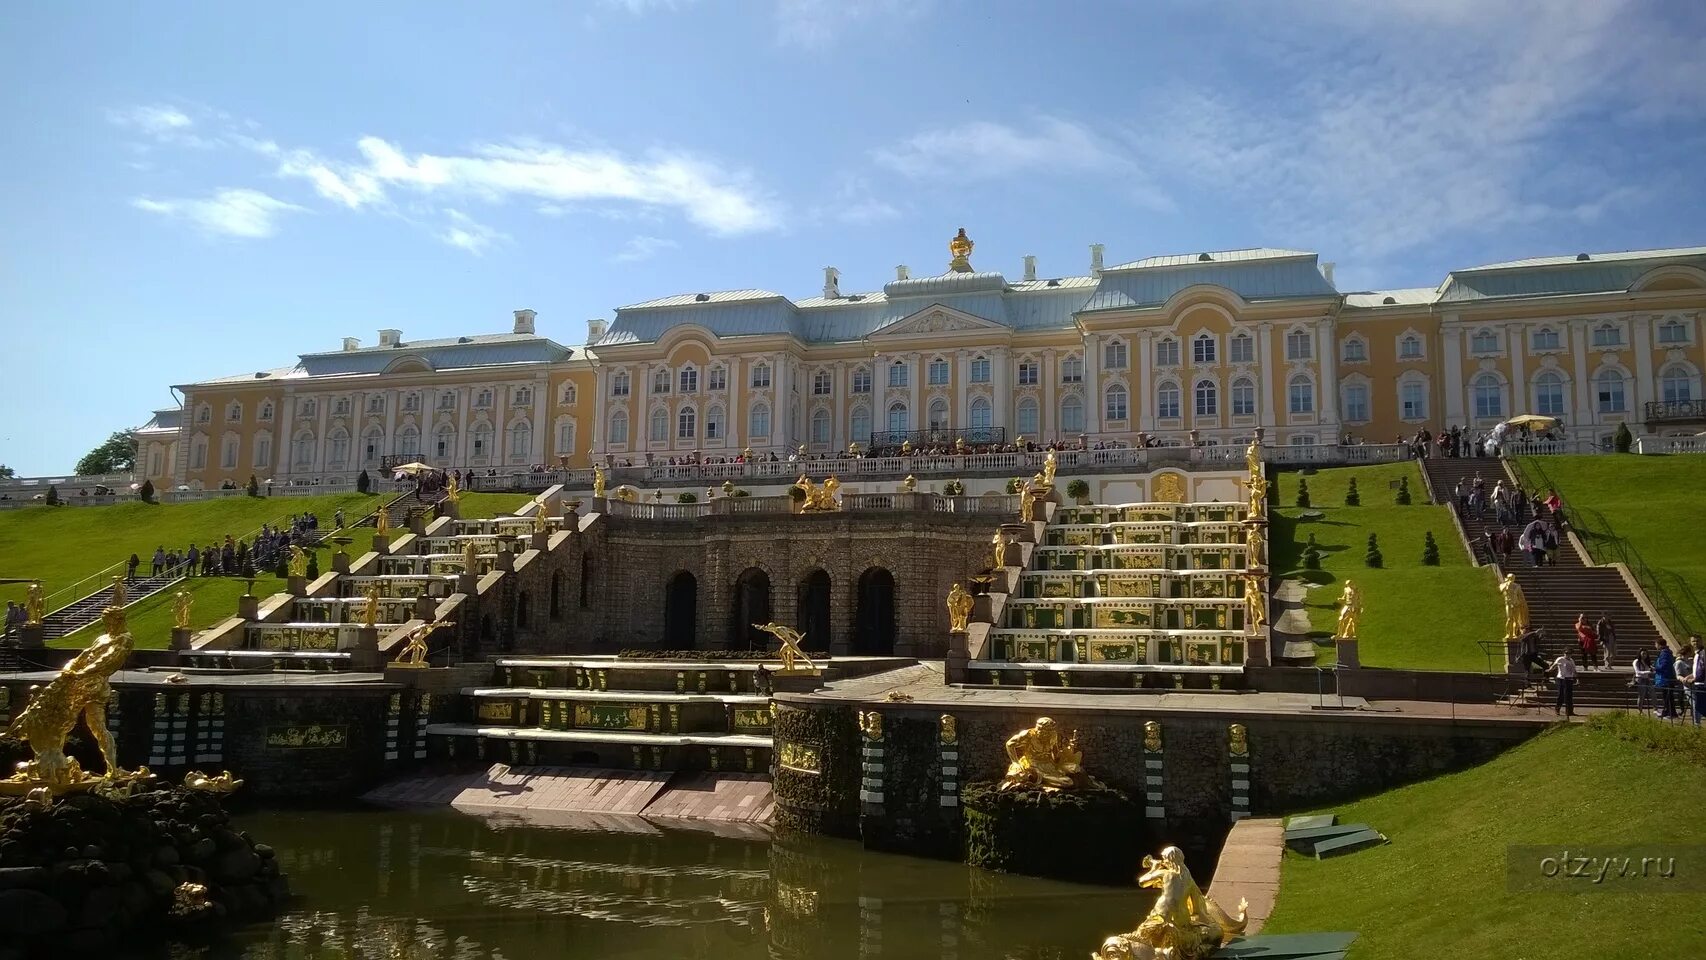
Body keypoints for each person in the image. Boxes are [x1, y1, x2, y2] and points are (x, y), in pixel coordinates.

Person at [1653, 641, 1678, 719]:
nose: (1655, 646)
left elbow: (1664, 666)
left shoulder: (1664, 654)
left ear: (1660, 645)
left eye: (1656, 644)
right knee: (1667, 696)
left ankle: (1670, 713)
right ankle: (1668, 711)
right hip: (1666, 678)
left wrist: (1655, 668)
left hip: (1666, 678)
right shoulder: (1666, 653)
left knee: (1667, 696)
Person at [1549, 650, 1578, 717]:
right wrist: (1550, 669)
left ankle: (1569, 711)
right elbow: (1554, 665)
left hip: (1569, 679)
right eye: (1566, 653)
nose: (1568, 655)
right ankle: (1557, 709)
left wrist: (1576, 678)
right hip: (1561, 678)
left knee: (1569, 696)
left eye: (1569, 654)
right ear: (1564, 654)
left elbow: (1574, 670)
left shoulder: (1571, 661)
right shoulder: (1560, 659)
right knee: (1561, 695)